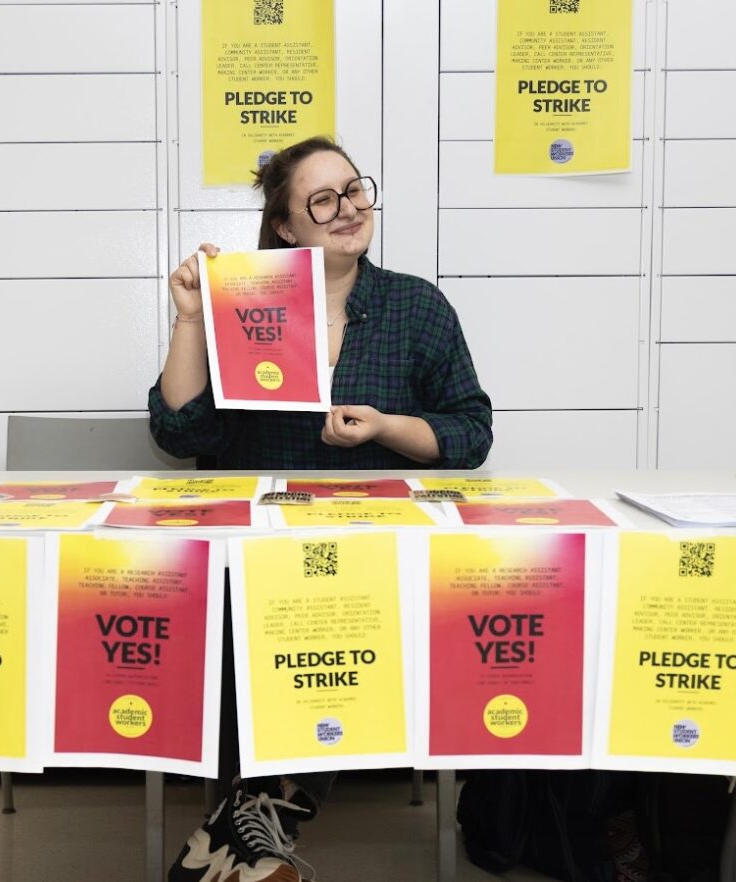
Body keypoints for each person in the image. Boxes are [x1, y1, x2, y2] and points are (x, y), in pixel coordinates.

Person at [151, 136, 493, 882]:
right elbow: (182, 433)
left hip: (382, 556)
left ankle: (240, 839)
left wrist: (386, 427)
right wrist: (189, 317)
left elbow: (470, 432)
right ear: (285, 226)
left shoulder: (415, 306)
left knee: (335, 610)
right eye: (324, 199)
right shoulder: (243, 302)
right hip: (257, 554)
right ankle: (254, 835)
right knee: (285, 611)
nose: (349, 209)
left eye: (355, 190)